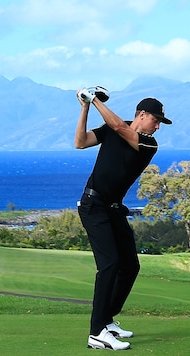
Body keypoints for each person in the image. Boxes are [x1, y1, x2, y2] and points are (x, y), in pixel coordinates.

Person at [74, 88, 171, 351]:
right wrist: (85, 105)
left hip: (114, 209)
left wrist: (92, 98)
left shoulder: (148, 143)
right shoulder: (113, 128)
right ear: (142, 114)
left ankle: (106, 320)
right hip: (93, 205)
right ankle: (96, 333)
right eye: (156, 120)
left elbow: (118, 127)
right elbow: (80, 142)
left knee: (130, 266)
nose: (158, 127)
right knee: (109, 265)